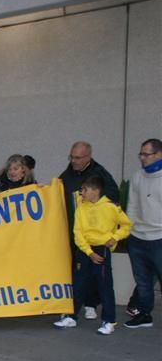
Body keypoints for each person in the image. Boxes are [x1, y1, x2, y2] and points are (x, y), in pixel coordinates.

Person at [54, 175, 131, 335]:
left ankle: (109, 320)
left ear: (95, 191)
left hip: (101, 249)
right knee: (79, 284)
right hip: (85, 250)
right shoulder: (81, 207)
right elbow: (78, 232)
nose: (81, 193)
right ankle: (71, 316)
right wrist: (88, 252)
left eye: (85, 189)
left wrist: (114, 238)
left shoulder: (111, 207)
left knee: (104, 286)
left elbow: (126, 226)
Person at [58, 141, 120, 319]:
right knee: (78, 271)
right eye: (72, 157)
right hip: (75, 231)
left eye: (78, 158)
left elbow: (113, 198)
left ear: (88, 157)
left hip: (95, 236)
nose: (74, 161)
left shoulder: (99, 173)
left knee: (97, 273)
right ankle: (73, 307)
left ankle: (92, 304)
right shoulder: (69, 171)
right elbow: (58, 188)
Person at [124, 138, 162, 329]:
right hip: (138, 237)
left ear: (158, 154)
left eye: (146, 154)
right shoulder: (138, 176)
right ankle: (144, 314)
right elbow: (132, 204)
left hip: (159, 238)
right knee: (143, 281)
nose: (142, 158)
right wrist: (129, 229)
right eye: (141, 154)